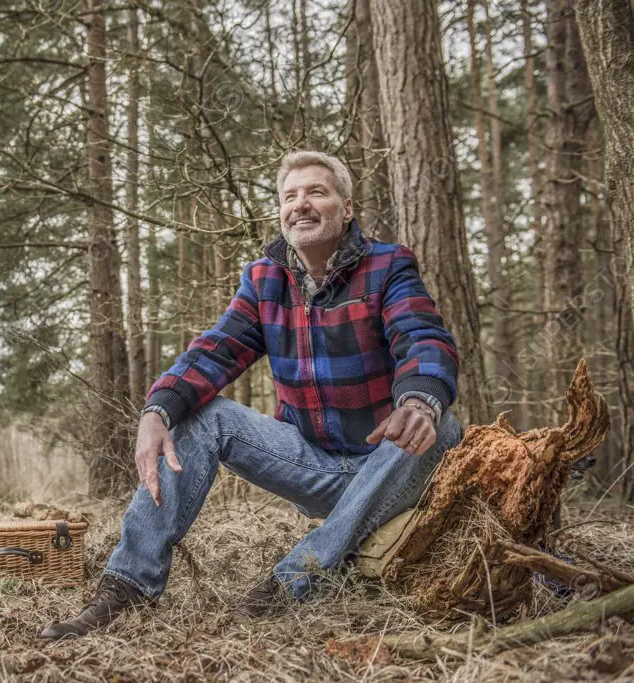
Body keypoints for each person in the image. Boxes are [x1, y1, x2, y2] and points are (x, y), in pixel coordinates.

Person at [39, 150, 464, 639]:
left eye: (316, 192)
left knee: (442, 427)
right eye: (290, 196)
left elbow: (423, 338)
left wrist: (419, 399)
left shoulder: (389, 266)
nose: (301, 204)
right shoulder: (265, 279)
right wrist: (157, 408)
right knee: (201, 416)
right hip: (317, 466)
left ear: (346, 208)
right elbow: (214, 351)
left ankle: (298, 578)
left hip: (394, 463)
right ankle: (126, 586)